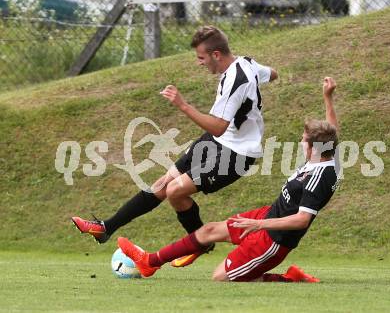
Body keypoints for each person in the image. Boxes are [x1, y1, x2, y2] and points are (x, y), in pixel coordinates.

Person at [72, 25, 278, 267]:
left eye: (201, 58)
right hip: (218, 142)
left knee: (175, 191)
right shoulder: (247, 63)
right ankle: (106, 228)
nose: (199, 63)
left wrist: (183, 105)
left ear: (216, 55)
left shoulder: (235, 79)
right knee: (161, 185)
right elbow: (272, 74)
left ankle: (200, 242)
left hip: (236, 154)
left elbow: (219, 126)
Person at [117, 77, 340, 282]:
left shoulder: (319, 177)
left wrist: (258, 225)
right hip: (268, 215)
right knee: (209, 231)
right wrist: (327, 98)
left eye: (303, 141)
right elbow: (332, 131)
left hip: (274, 238)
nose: (301, 143)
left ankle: (289, 278)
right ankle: (149, 262)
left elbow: (301, 220)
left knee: (220, 278)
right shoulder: (327, 156)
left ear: (314, 148)